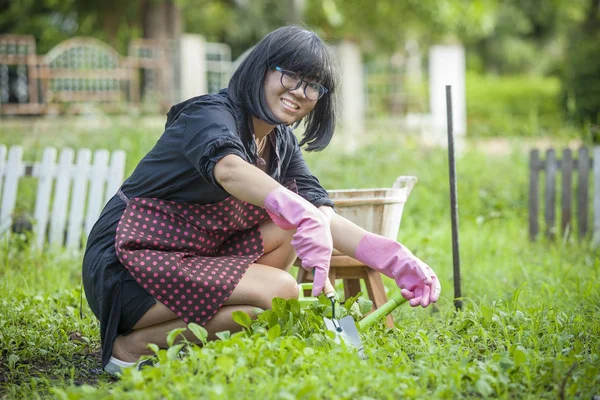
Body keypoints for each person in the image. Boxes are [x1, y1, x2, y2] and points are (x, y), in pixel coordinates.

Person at [82, 25, 441, 376]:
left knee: (268, 290)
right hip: (127, 265)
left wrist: (394, 258)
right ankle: (127, 350)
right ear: (262, 69)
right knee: (282, 289)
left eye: (313, 85)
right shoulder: (209, 115)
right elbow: (228, 170)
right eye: (290, 75)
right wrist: (300, 213)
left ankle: (160, 343)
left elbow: (320, 213)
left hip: (187, 258)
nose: (300, 92)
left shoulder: (279, 141)